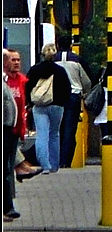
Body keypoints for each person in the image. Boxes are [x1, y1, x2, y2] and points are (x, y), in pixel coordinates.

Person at [25, 42, 71, 173]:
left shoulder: (35, 70)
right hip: (57, 106)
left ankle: (45, 166)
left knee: (42, 134)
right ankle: (54, 166)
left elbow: (27, 87)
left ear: (42, 54)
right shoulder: (60, 71)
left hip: (39, 106)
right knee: (54, 134)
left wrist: (29, 102)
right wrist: (62, 102)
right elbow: (67, 89)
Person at [3, 49, 42, 181]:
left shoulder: (22, 80)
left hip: (15, 126)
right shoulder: (5, 81)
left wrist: (22, 128)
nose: (16, 63)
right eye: (12, 60)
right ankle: (21, 167)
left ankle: (21, 167)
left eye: (18, 60)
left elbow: (21, 106)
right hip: (7, 127)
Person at [54, 34, 92, 168]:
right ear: (70, 45)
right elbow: (87, 80)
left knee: (57, 130)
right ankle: (65, 162)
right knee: (70, 130)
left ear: (57, 45)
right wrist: (84, 92)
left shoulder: (53, 59)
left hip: (56, 98)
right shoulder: (77, 60)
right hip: (73, 97)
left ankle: (56, 161)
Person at [3, 74, 20, 221]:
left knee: (6, 170)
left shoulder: (9, 80)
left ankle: (7, 207)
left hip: (10, 130)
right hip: (5, 129)